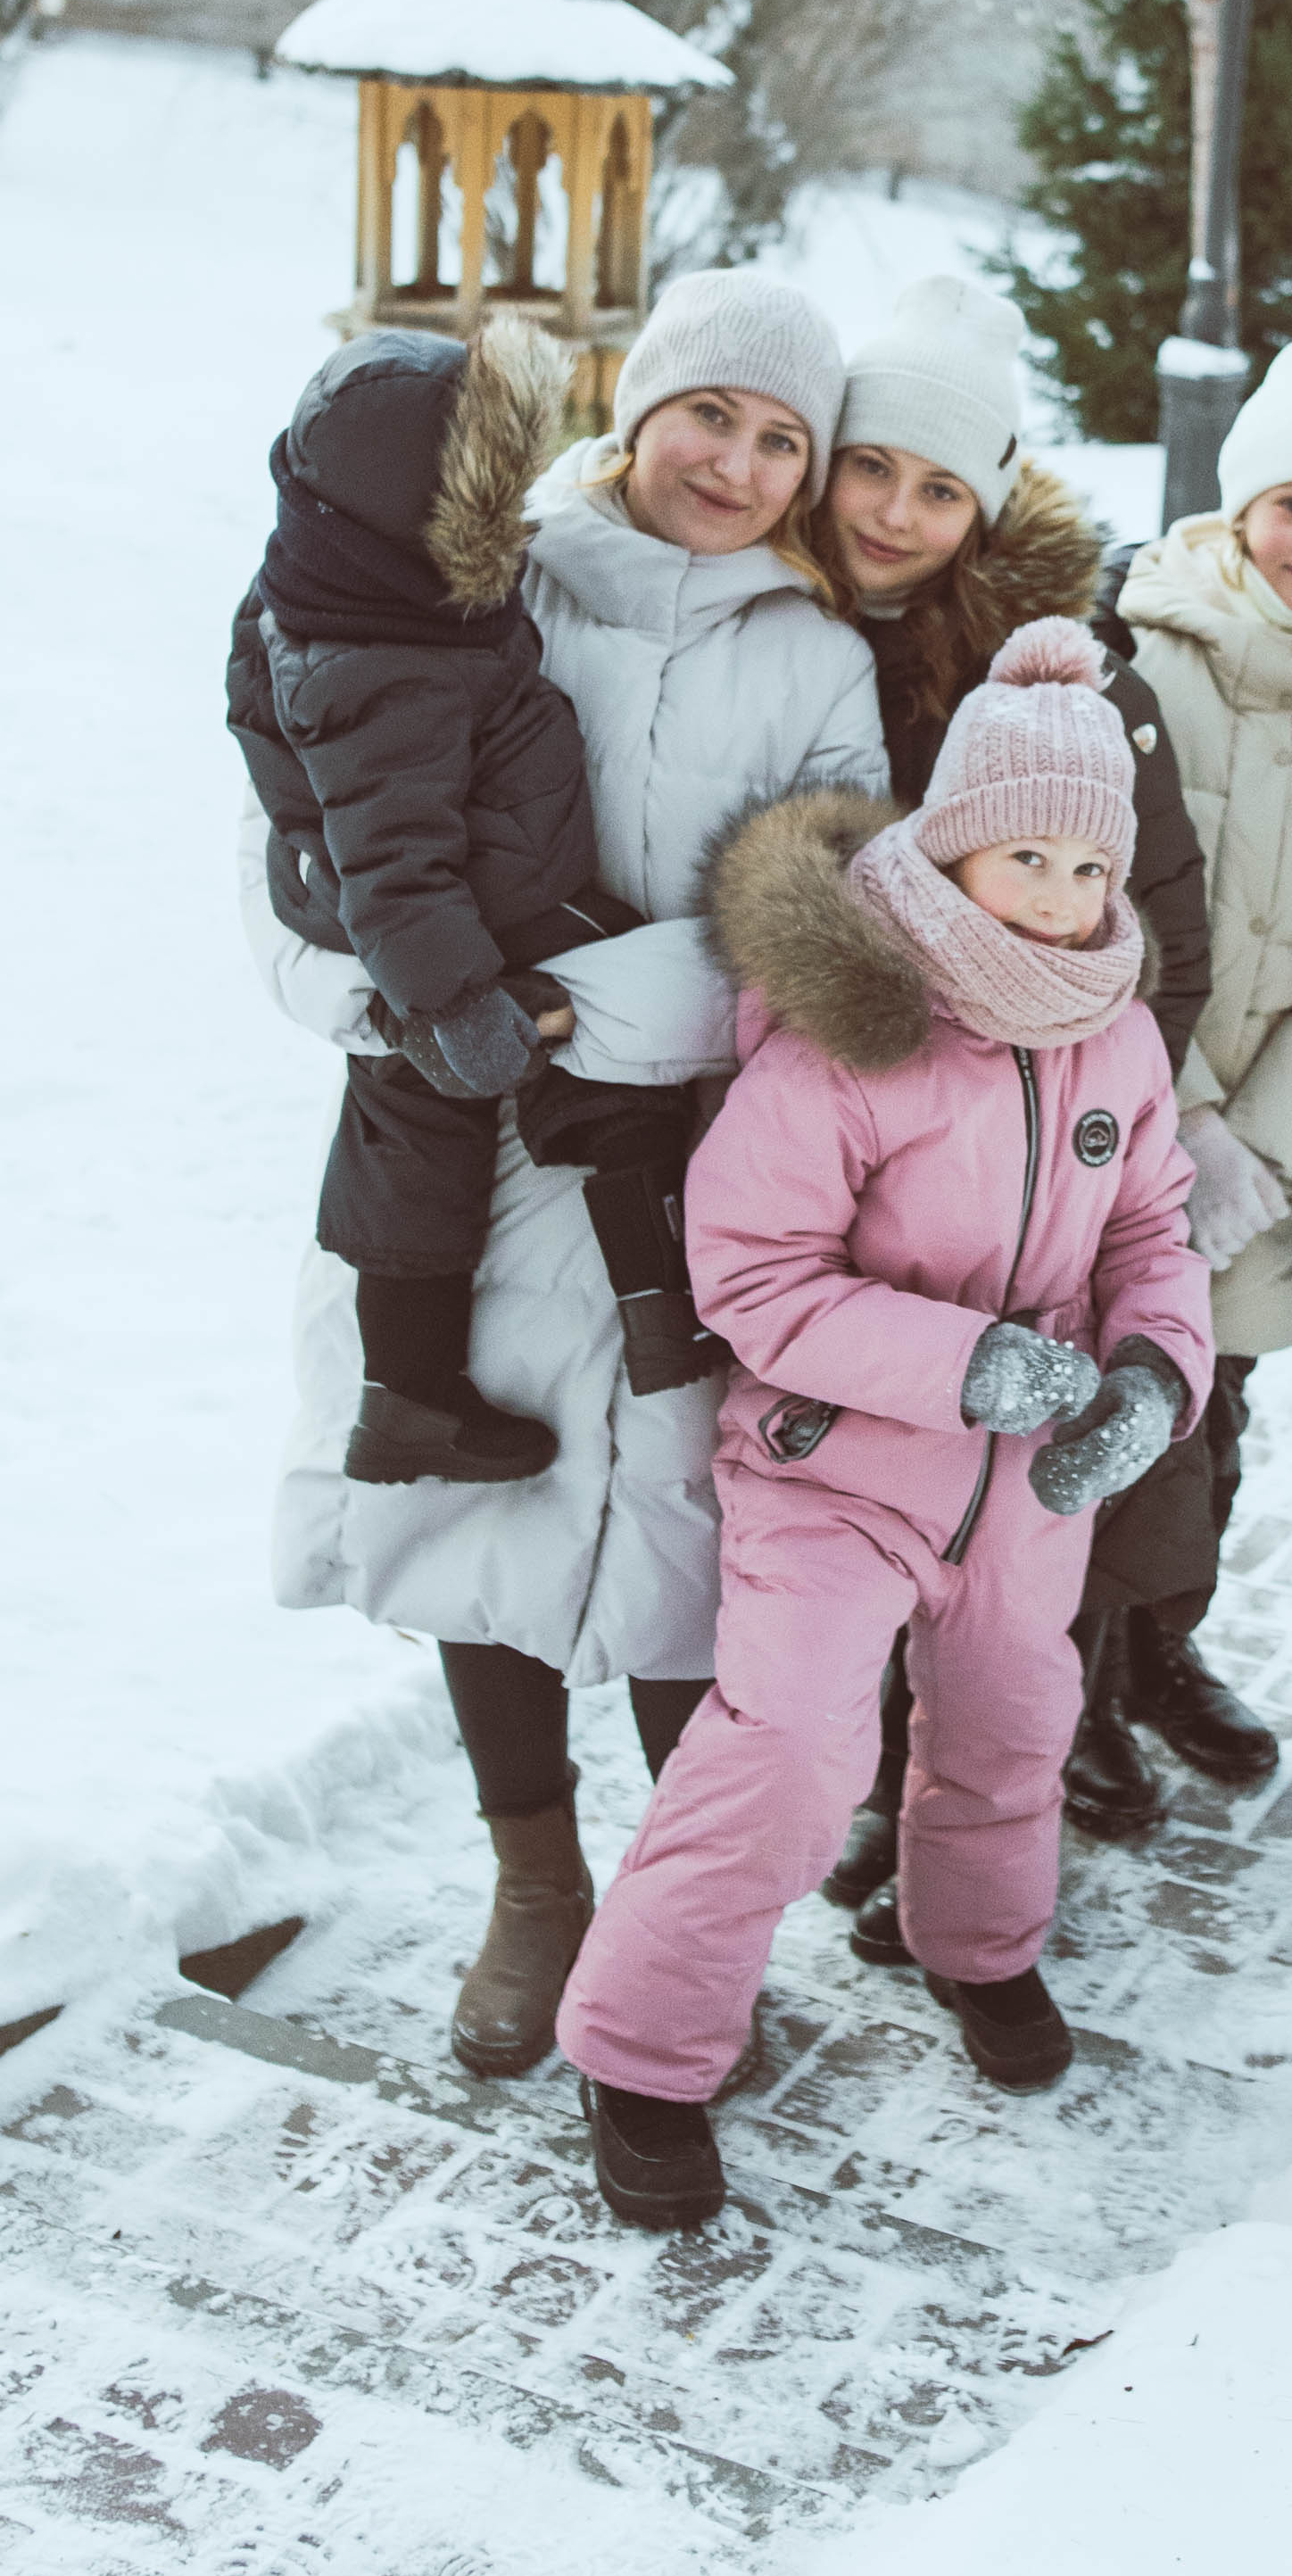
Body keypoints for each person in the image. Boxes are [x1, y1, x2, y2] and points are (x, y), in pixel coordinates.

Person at [237, 268, 887, 2077]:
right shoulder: (485, 576)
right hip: (455, 1162)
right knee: (484, 1526)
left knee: (689, 1547)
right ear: (639, 405)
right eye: (710, 414)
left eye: (781, 439)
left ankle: (685, 1922)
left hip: (680, 1167)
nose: (737, 461)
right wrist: (376, 1001)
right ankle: (539, 1884)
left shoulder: (817, 661)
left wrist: (557, 1011)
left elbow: (812, 929)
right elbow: (301, 842)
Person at [556, 618, 1213, 2230]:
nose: (1062, 900)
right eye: (1026, 859)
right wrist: (963, 1365)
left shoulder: (1111, 1022)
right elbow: (755, 1275)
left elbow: (1152, 1226)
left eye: (1087, 868)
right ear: (952, 847)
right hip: (838, 1467)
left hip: (1030, 1479)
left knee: (1009, 1723)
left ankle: (977, 1950)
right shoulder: (861, 1030)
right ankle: (642, 2052)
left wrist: (1153, 1377)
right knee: (789, 1748)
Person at [802, 274, 1215, 1883]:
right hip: (809, 1130)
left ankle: (995, 1788)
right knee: (834, 1482)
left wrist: (1095, 1123)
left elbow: (1147, 907)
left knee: (1023, 1494)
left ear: (987, 503)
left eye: (941, 484)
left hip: (1029, 1133)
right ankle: (853, 1781)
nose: (897, 513)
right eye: (873, 466)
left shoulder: (1057, 675)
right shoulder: (754, 606)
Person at [227, 320, 722, 1495]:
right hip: (476, 902)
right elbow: (394, 853)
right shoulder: (387, 657)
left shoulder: (344, 588)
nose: (509, 527)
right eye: (482, 501)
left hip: (440, 895)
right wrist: (453, 1000)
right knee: (611, 1094)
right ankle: (664, 1314)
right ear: (413, 516)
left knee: (407, 1122)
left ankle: (404, 1395)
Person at [1089, 334, 1292, 1796]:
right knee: (1100, 1413)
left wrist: (1262, 1146)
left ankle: (1158, 1652)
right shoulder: (1140, 655)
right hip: (1113, 1105)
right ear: (1237, 507)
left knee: (1213, 1414)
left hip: (1265, 1143)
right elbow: (1082, 909)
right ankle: (1064, 1689)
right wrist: (1184, 1113)